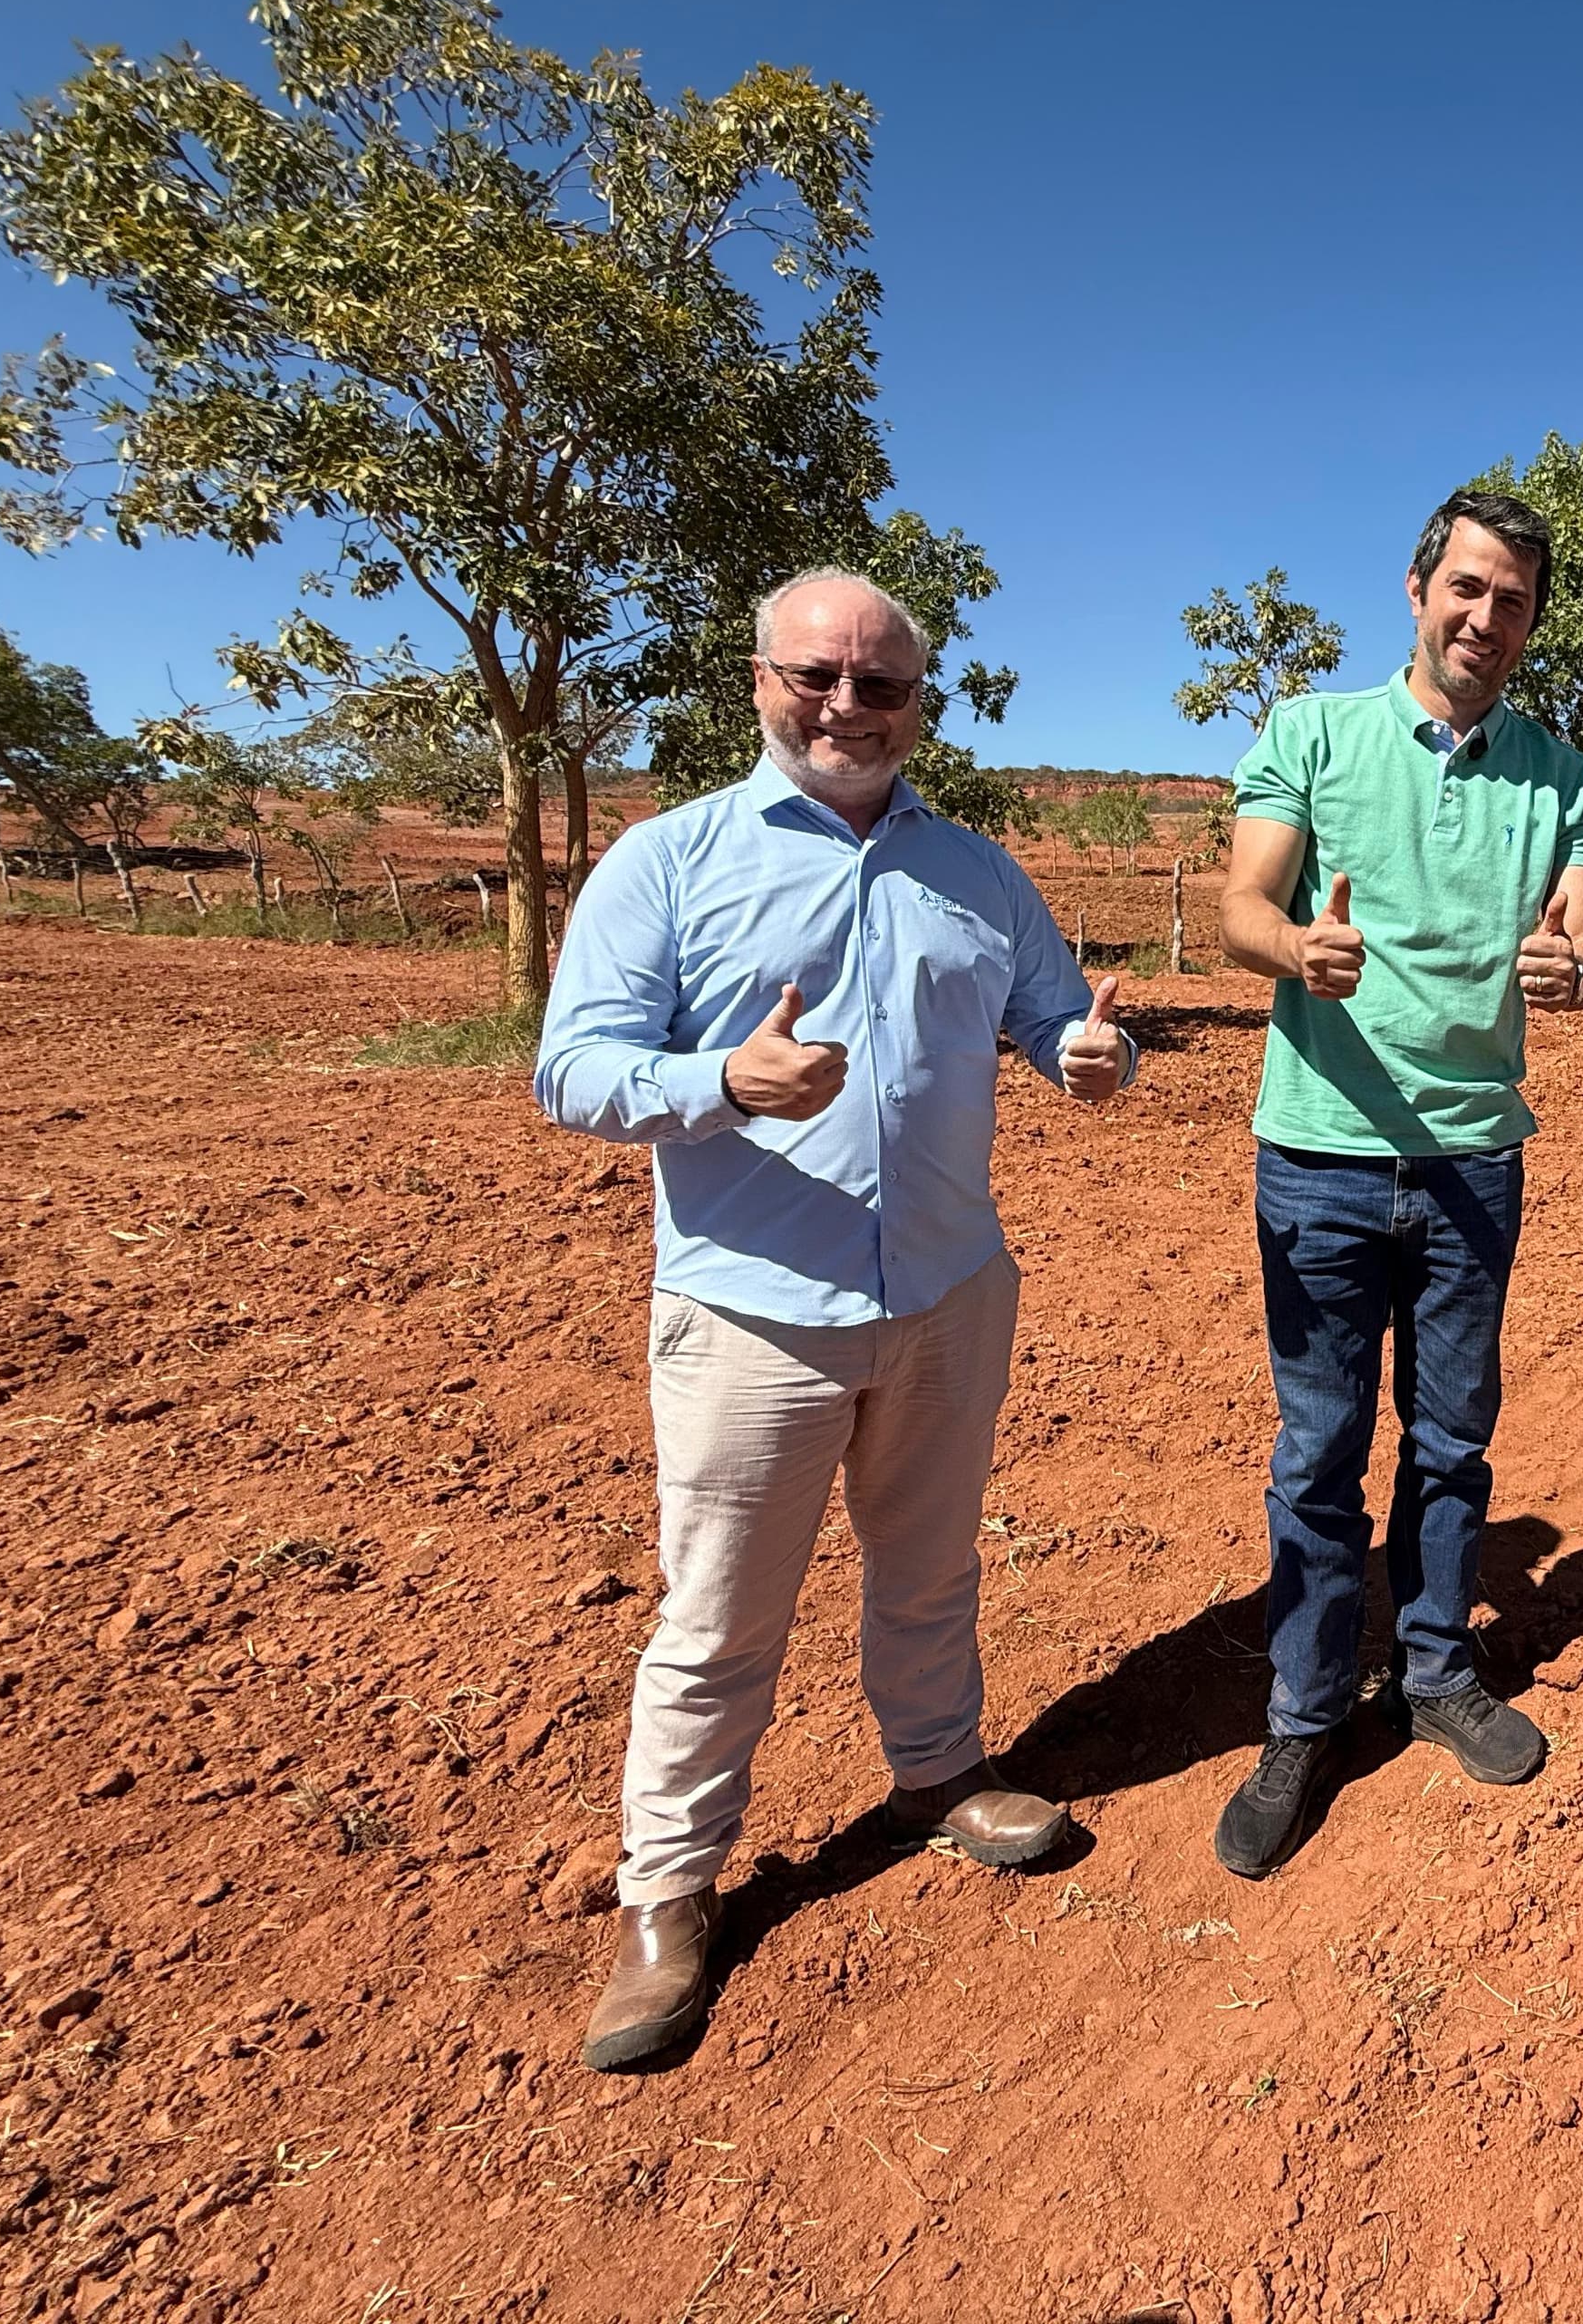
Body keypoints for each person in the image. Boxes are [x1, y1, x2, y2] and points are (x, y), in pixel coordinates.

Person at [536, 566, 1133, 2073]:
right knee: (719, 1618)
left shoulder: (979, 873)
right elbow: (571, 1071)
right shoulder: (665, 864)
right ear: (758, 681)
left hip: (944, 1290)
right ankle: (670, 1895)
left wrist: (1086, 1050)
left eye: (882, 686)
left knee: (928, 1571)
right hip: (753, 1316)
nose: (849, 707)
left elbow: (1052, 1013)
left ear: (921, 703)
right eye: (818, 677)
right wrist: (716, 1084)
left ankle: (937, 1777)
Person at [1209, 487, 1583, 1879]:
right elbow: (1243, 903)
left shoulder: (1561, 775)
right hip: (1319, 1153)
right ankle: (1306, 1715)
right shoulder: (1314, 731)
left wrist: (1579, 972)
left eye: (1513, 602)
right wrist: (1290, 953)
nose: (1486, 618)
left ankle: (1435, 1671)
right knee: (1319, 1451)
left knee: (1453, 1440)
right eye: (1468, 588)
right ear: (1416, 587)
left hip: (1470, 1163)